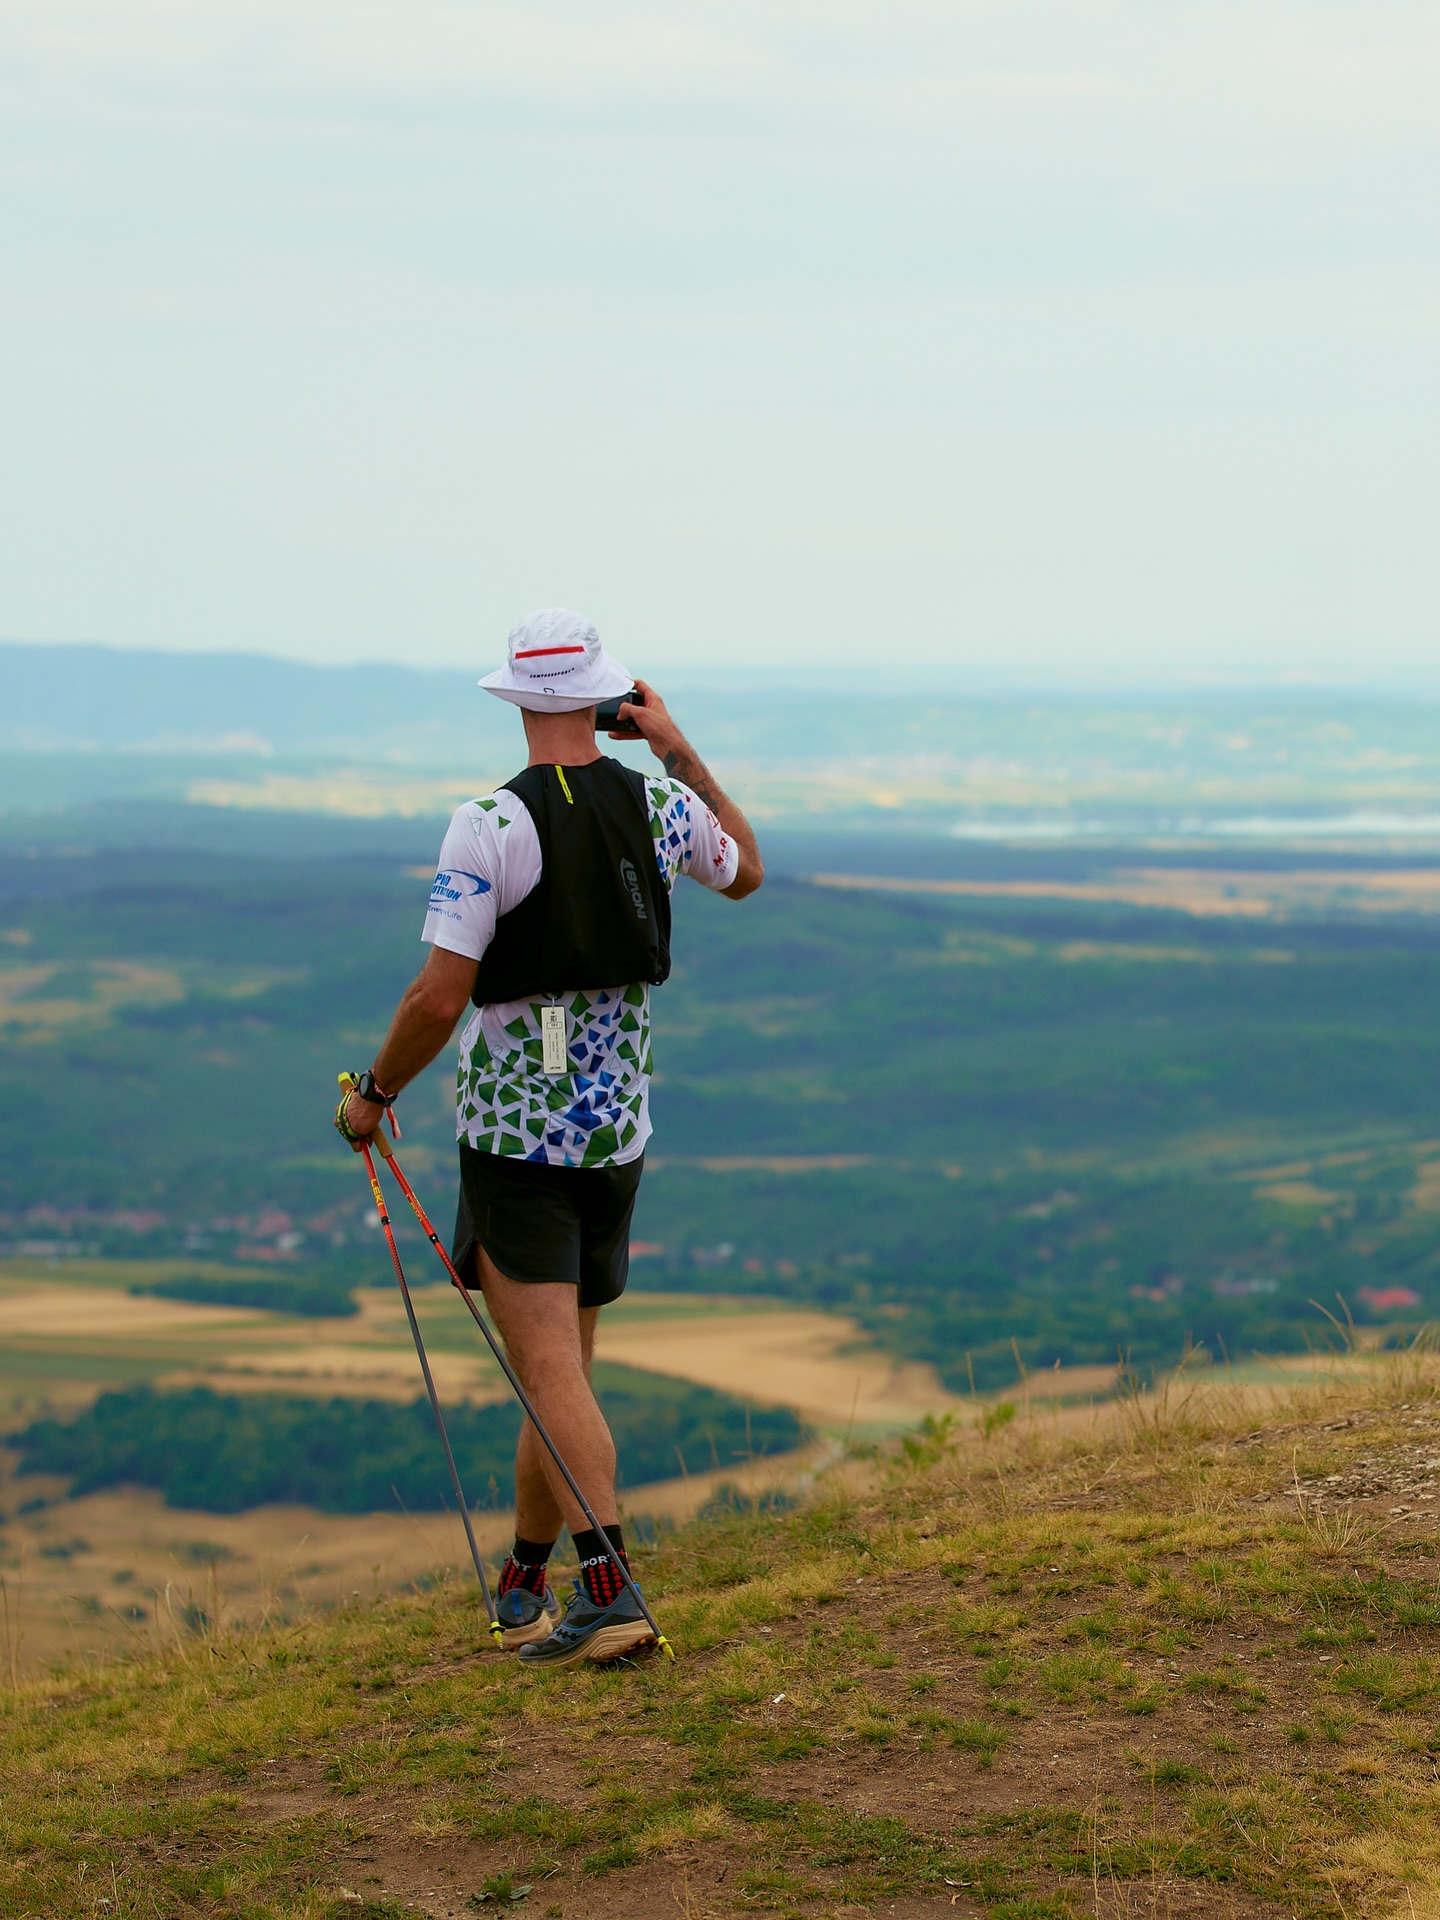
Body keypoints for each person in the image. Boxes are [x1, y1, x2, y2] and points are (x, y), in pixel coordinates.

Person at [334, 608, 763, 1667]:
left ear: (518, 697)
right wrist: (674, 745)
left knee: (548, 1372)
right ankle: (527, 1576)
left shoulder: (488, 823)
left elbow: (439, 999)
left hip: (515, 1139)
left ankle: (610, 1594)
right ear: (605, 695)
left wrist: (374, 1095)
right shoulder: (662, 801)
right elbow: (746, 868)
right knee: (558, 1369)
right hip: (618, 1133)